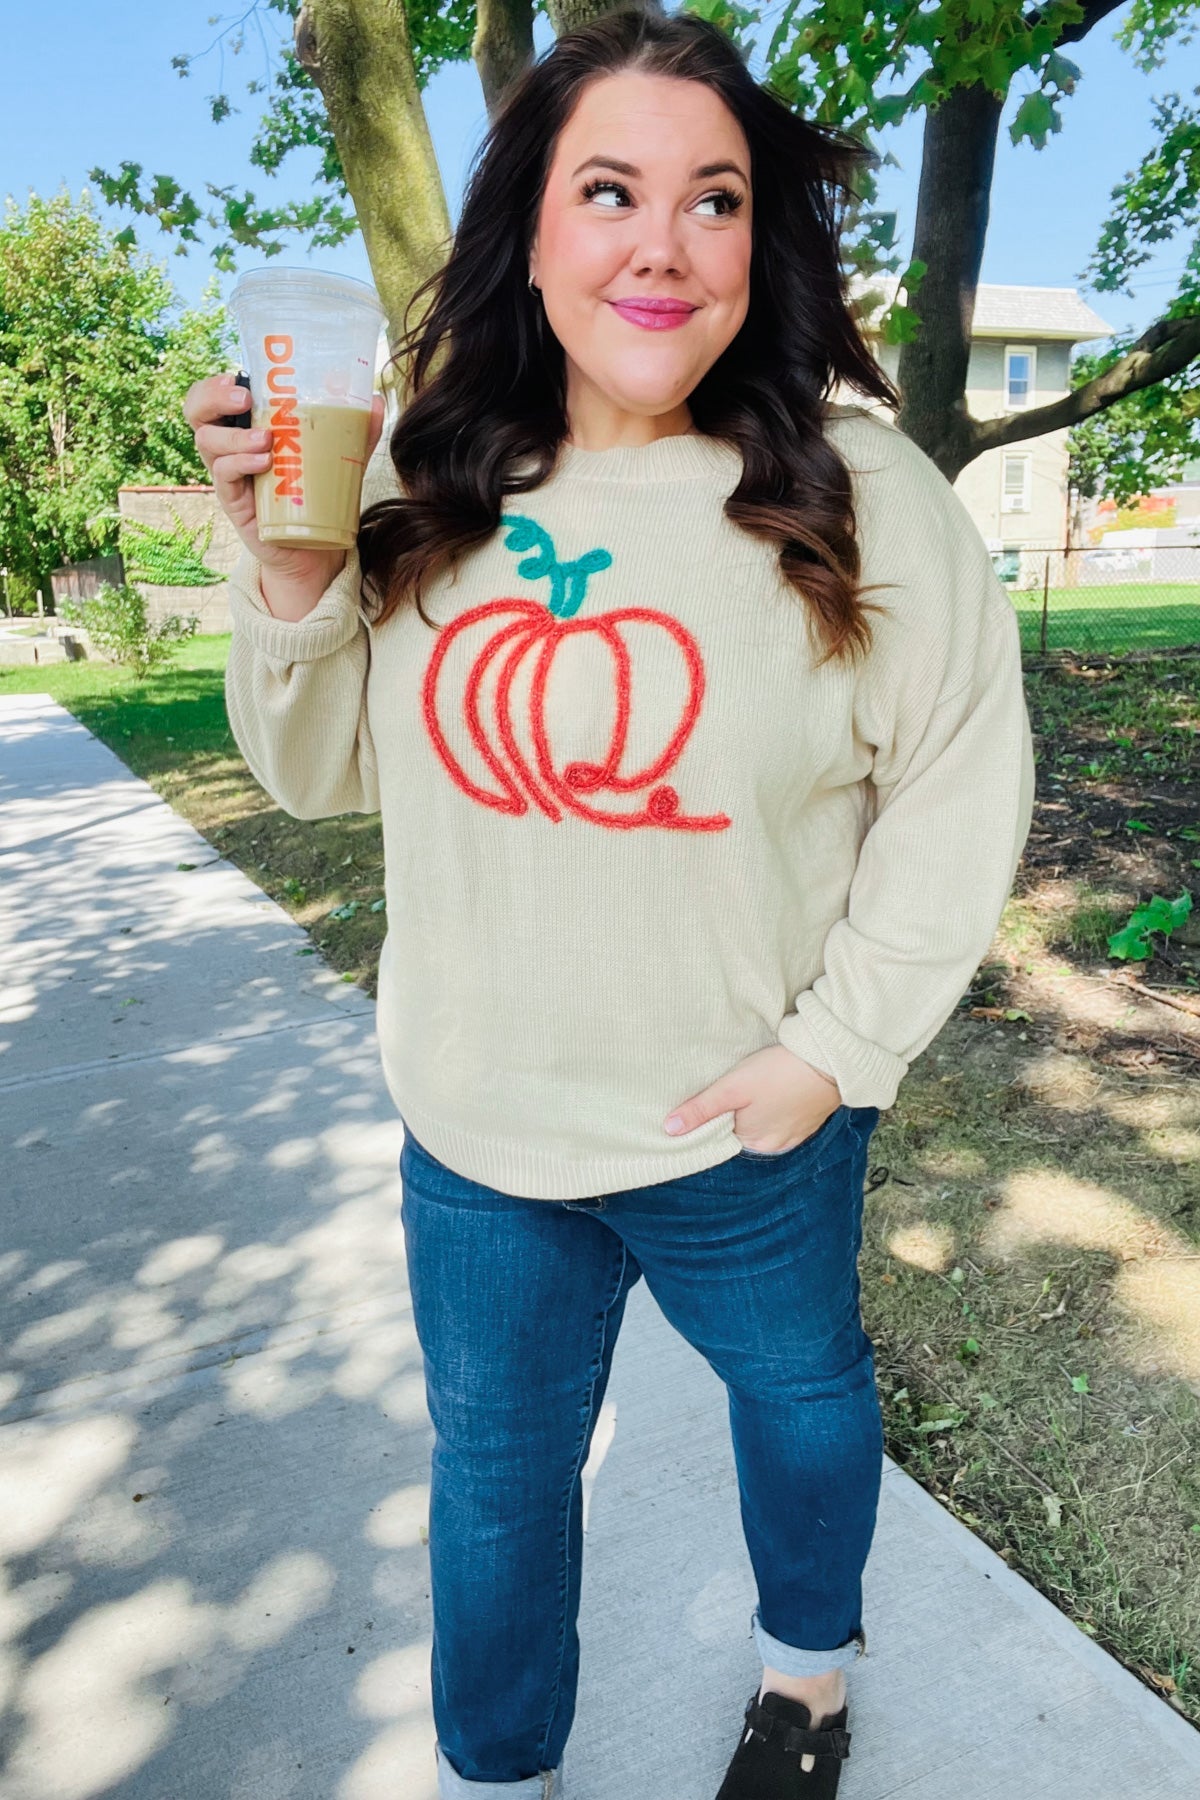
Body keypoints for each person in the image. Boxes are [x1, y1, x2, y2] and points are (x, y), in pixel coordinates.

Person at [184, 10, 1035, 1796]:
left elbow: (959, 786)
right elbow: (325, 769)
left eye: (713, 199)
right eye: (611, 191)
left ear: (758, 243)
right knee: (494, 1474)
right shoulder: (426, 469)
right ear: (532, 235)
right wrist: (282, 573)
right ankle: (505, 1772)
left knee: (799, 1406)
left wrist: (835, 1052)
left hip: (745, 1128)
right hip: (480, 1132)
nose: (663, 242)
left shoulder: (861, 491)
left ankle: (809, 1674)